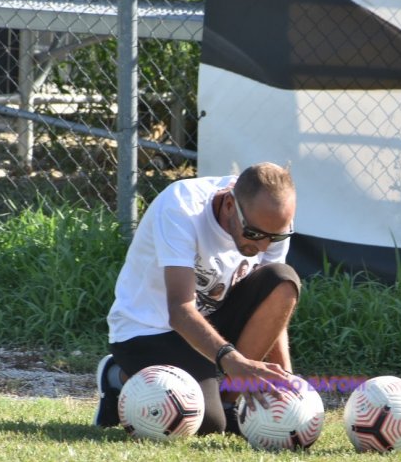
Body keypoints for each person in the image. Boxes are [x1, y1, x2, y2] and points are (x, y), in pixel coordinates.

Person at [95, 162, 300, 434]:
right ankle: (117, 377)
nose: (263, 245)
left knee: (283, 279)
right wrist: (233, 361)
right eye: (254, 234)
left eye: (274, 237)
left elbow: (271, 304)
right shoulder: (181, 206)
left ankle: (229, 403)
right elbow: (179, 310)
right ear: (229, 205)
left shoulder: (272, 221)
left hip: (209, 326)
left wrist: (285, 379)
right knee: (207, 424)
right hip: (148, 330)